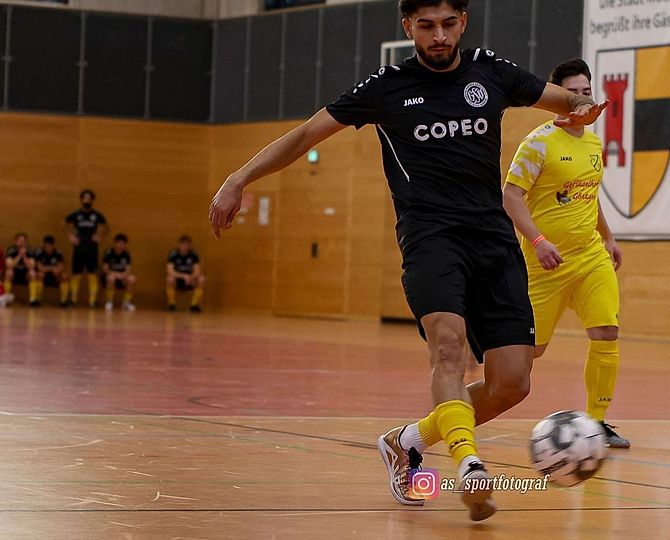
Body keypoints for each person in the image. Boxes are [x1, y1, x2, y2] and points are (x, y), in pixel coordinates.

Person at [207, 0, 606, 522]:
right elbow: (306, 135)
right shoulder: (385, 87)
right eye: (426, 26)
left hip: (492, 240)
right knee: (447, 347)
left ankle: (406, 441)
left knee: (514, 381)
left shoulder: (494, 72)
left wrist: (582, 107)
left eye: (447, 24)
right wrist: (239, 178)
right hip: (430, 237)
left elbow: (562, 100)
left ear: (462, 22)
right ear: (408, 28)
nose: (438, 35)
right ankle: (468, 466)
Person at [503, 59, 629, 449]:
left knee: (606, 332)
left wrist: (607, 237)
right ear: (558, 98)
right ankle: (472, 395)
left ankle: (598, 423)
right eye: (574, 93)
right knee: (529, 355)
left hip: (590, 256)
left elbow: (587, 197)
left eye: (588, 92)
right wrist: (539, 241)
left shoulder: (592, 142)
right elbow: (510, 196)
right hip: (545, 263)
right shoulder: (538, 142)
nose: (583, 100)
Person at [64, 189, 109, 308]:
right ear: (81, 199)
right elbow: (63, 223)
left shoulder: (96, 215)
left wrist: (100, 236)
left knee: (92, 273)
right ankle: (73, 300)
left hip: (92, 248)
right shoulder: (76, 214)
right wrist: (70, 236)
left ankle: (92, 301)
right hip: (79, 247)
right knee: (76, 273)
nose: (87, 200)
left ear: (92, 200)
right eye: (85, 198)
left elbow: (106, 226)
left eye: (89, 198)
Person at [166, 235, 204, 312]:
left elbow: (197, 271)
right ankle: (171, 305)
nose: (184, 247)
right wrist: (183, 276)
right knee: (170, 279)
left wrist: (191, 277)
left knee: (201, 279)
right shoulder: (173, 254)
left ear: (189, 246)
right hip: (178, 279)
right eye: (183, 244)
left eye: (187, 245)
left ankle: (194, 305)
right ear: (179, 245)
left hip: (190, 280)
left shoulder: (193, 255)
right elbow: (170, 271)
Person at [101, 234, 136, 311]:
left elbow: (128, 269)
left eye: (123, 244)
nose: (121, 246)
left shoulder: (126, 254)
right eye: (120, 243)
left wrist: (123, 275)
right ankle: (109, 302)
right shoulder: (108, 252)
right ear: (115, 243)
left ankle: (126, 303)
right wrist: (116, 274)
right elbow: (105, 269)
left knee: (132, 279)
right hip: (110, 275)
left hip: (122, 276)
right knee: (111, 278)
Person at [34, 235, 70, 307]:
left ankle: (63, 301)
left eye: (50, 246)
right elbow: (40, 268)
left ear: (53, 245)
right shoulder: (39, 252)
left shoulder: (58, 252)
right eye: (46, 246)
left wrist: (56, 270)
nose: (48, 248)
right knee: (39, 274)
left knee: (65, 276)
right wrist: (52, 268)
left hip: (55, 275)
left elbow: (60, 267)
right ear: (44, 245)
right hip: (44, 275)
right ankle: (37, 300)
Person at [4, 233, 38, 306]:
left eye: (23, 241)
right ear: (15, 241)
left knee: (32, 273)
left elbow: (32, 266)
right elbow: (9, 265)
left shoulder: (30, 250)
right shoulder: (11, 250)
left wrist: (24, 256)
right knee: (8, 272)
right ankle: (5, 299)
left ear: (26, 242)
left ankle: (32, 299)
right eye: (19, 241)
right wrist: (19, 255)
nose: (21, 243)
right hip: (15, 274)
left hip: (25, 274)